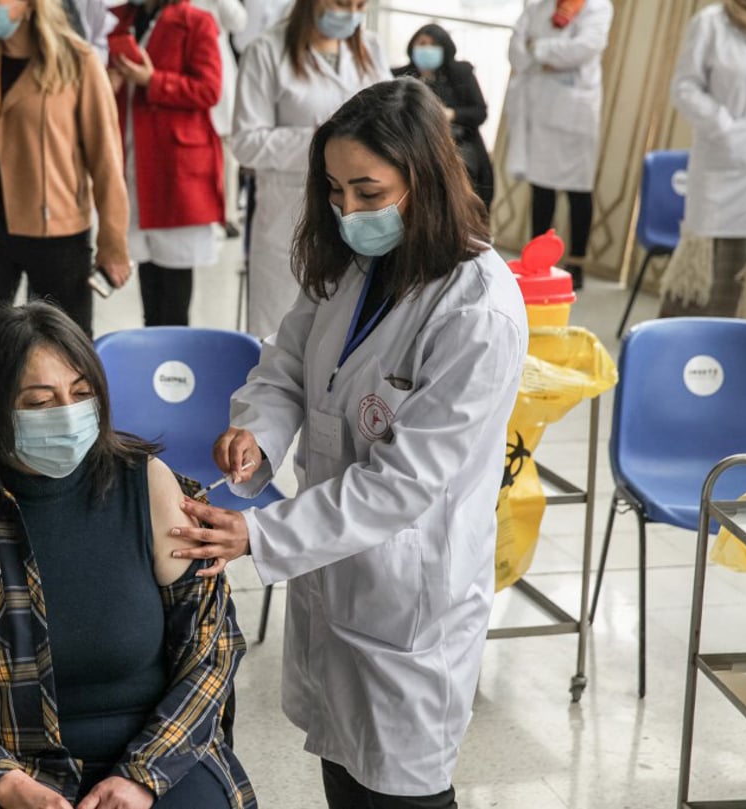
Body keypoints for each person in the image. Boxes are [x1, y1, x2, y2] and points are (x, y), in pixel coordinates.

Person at [175, 80, 528, 809]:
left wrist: (257, 532)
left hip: (408, 594)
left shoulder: (475, 309)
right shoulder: (351, 267)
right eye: (335, 191)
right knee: (344, 769)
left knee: (401, 788)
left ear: (423, 179)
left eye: (368, 192)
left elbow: (403, 484)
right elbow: (285, 366)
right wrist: (257, 436)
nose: (347, 212)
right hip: (335, 571)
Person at [0, 302, 255, 809]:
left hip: (153, 754)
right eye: (39, 402)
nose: (66, 414)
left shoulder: (147, 486)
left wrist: (142, 777)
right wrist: (4, 782)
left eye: (82, 394)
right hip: (8, 762)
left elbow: (211, 652)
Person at [0, 0, 130, 336]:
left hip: (57, 232)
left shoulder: (78, 62)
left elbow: (106, 160)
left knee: (64, 349)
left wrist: (113, 243)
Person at [232, 0, 390, 339]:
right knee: (278, 334)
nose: (350, 12)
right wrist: (324, 141)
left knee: (348, 332)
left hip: (360, 213)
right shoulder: (266, 51)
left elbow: (392, 122)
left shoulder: (370, 48)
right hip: (287, 214)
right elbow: (246, 141)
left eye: (360, 4)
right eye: (341, 3)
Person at [110, 0, 223, 327]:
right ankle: (153, 356)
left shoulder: (196, 22)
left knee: (173, 277)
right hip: (135, 154)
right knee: (146, 270)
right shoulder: (119, 19)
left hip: (176, 165)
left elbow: (209, 89)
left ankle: (174, 363)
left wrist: (153, 80)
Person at [658, 0, 746, 318]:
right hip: (723, 171)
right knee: (705, 287)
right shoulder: (712, 23)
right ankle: (678, 359)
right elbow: (684, 87)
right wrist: (725, 128)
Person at [506, 0, 613, 290]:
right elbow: (516, 49)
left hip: (574, 112)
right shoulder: (537, 6)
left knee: (578, 190)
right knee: (541, 187)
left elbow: (584, 48)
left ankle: (576, 262)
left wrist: (537, 48)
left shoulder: (598, 7)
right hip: (539, 108)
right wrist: (544, 53)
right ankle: (537, 261)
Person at [393, 24, 494, 211]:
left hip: (457, 145)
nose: (427, 49)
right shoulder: (398, 77)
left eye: (433, 45)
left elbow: (480, 112)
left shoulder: (461, 73)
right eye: (422, 44)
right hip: (414, 147)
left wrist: (451, 114)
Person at [190, 0, 246, 234]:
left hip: (219, 74)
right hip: (187, 70)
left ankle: (227, 215)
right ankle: (200, 212)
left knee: (226, 153)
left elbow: (239, 22)